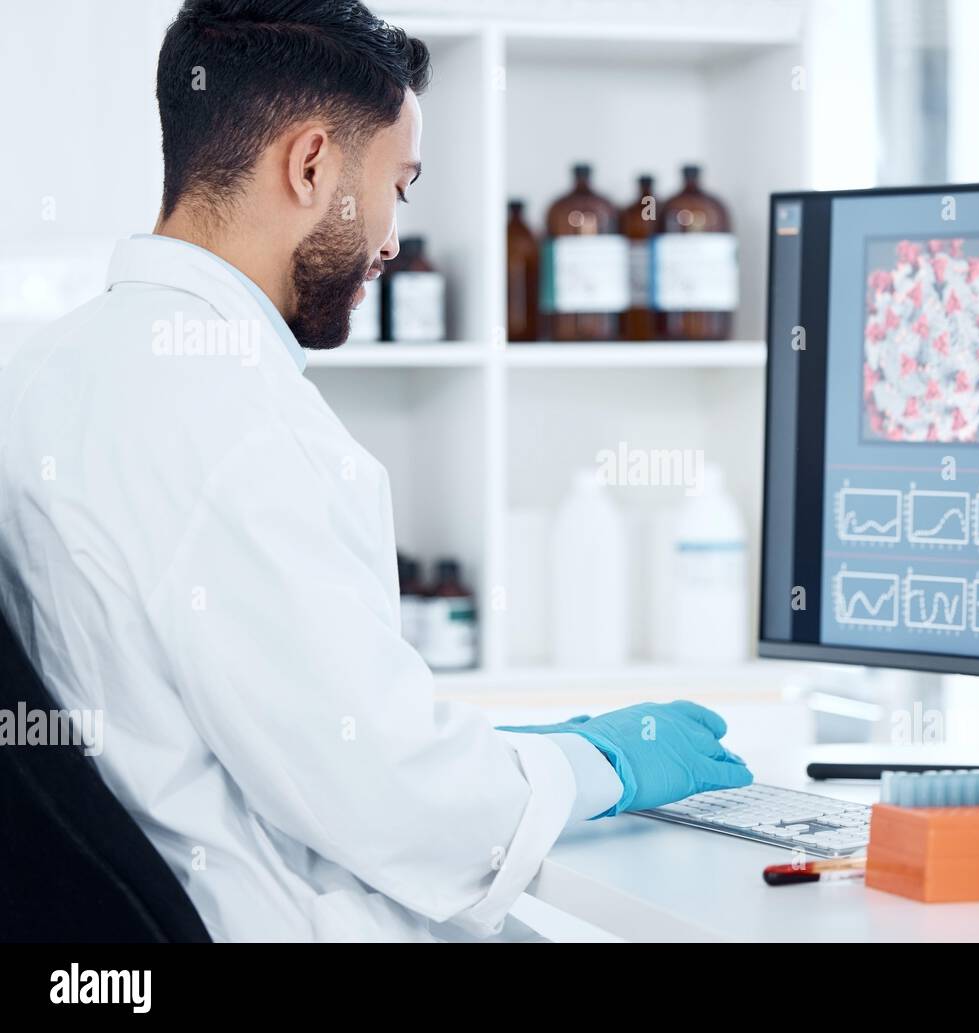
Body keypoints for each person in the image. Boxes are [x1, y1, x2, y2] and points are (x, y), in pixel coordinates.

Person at [0, 0, 751, 942]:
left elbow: (289, 723)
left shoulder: (48, 369)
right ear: (312, 165)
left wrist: (532, 755)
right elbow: (390, 796)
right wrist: (600, 763)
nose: (394, 239)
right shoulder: (232, 414)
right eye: (400, 183)